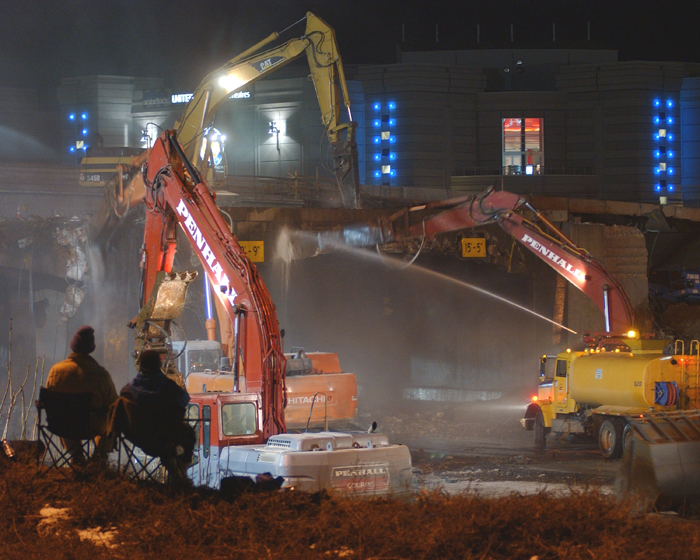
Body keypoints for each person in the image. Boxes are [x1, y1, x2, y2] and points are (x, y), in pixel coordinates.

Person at [116, 349, 194, 479]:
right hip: (165, 438)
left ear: (140, 365)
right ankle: (180, 474)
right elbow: (185, 400)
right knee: (188, 434)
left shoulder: (127, 391)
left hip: (137, 438)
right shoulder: (170, 388)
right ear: (159, 365)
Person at [46, 325, 118, 463]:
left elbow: (49, 401)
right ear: (90, 348)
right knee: (111, 421)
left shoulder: (55, 370)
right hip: (89, 425)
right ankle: (99, 457)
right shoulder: (100, 374)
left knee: (65, 416)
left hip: (62, 425)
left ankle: (76, 456)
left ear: (73, 346)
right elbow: (113, 404)